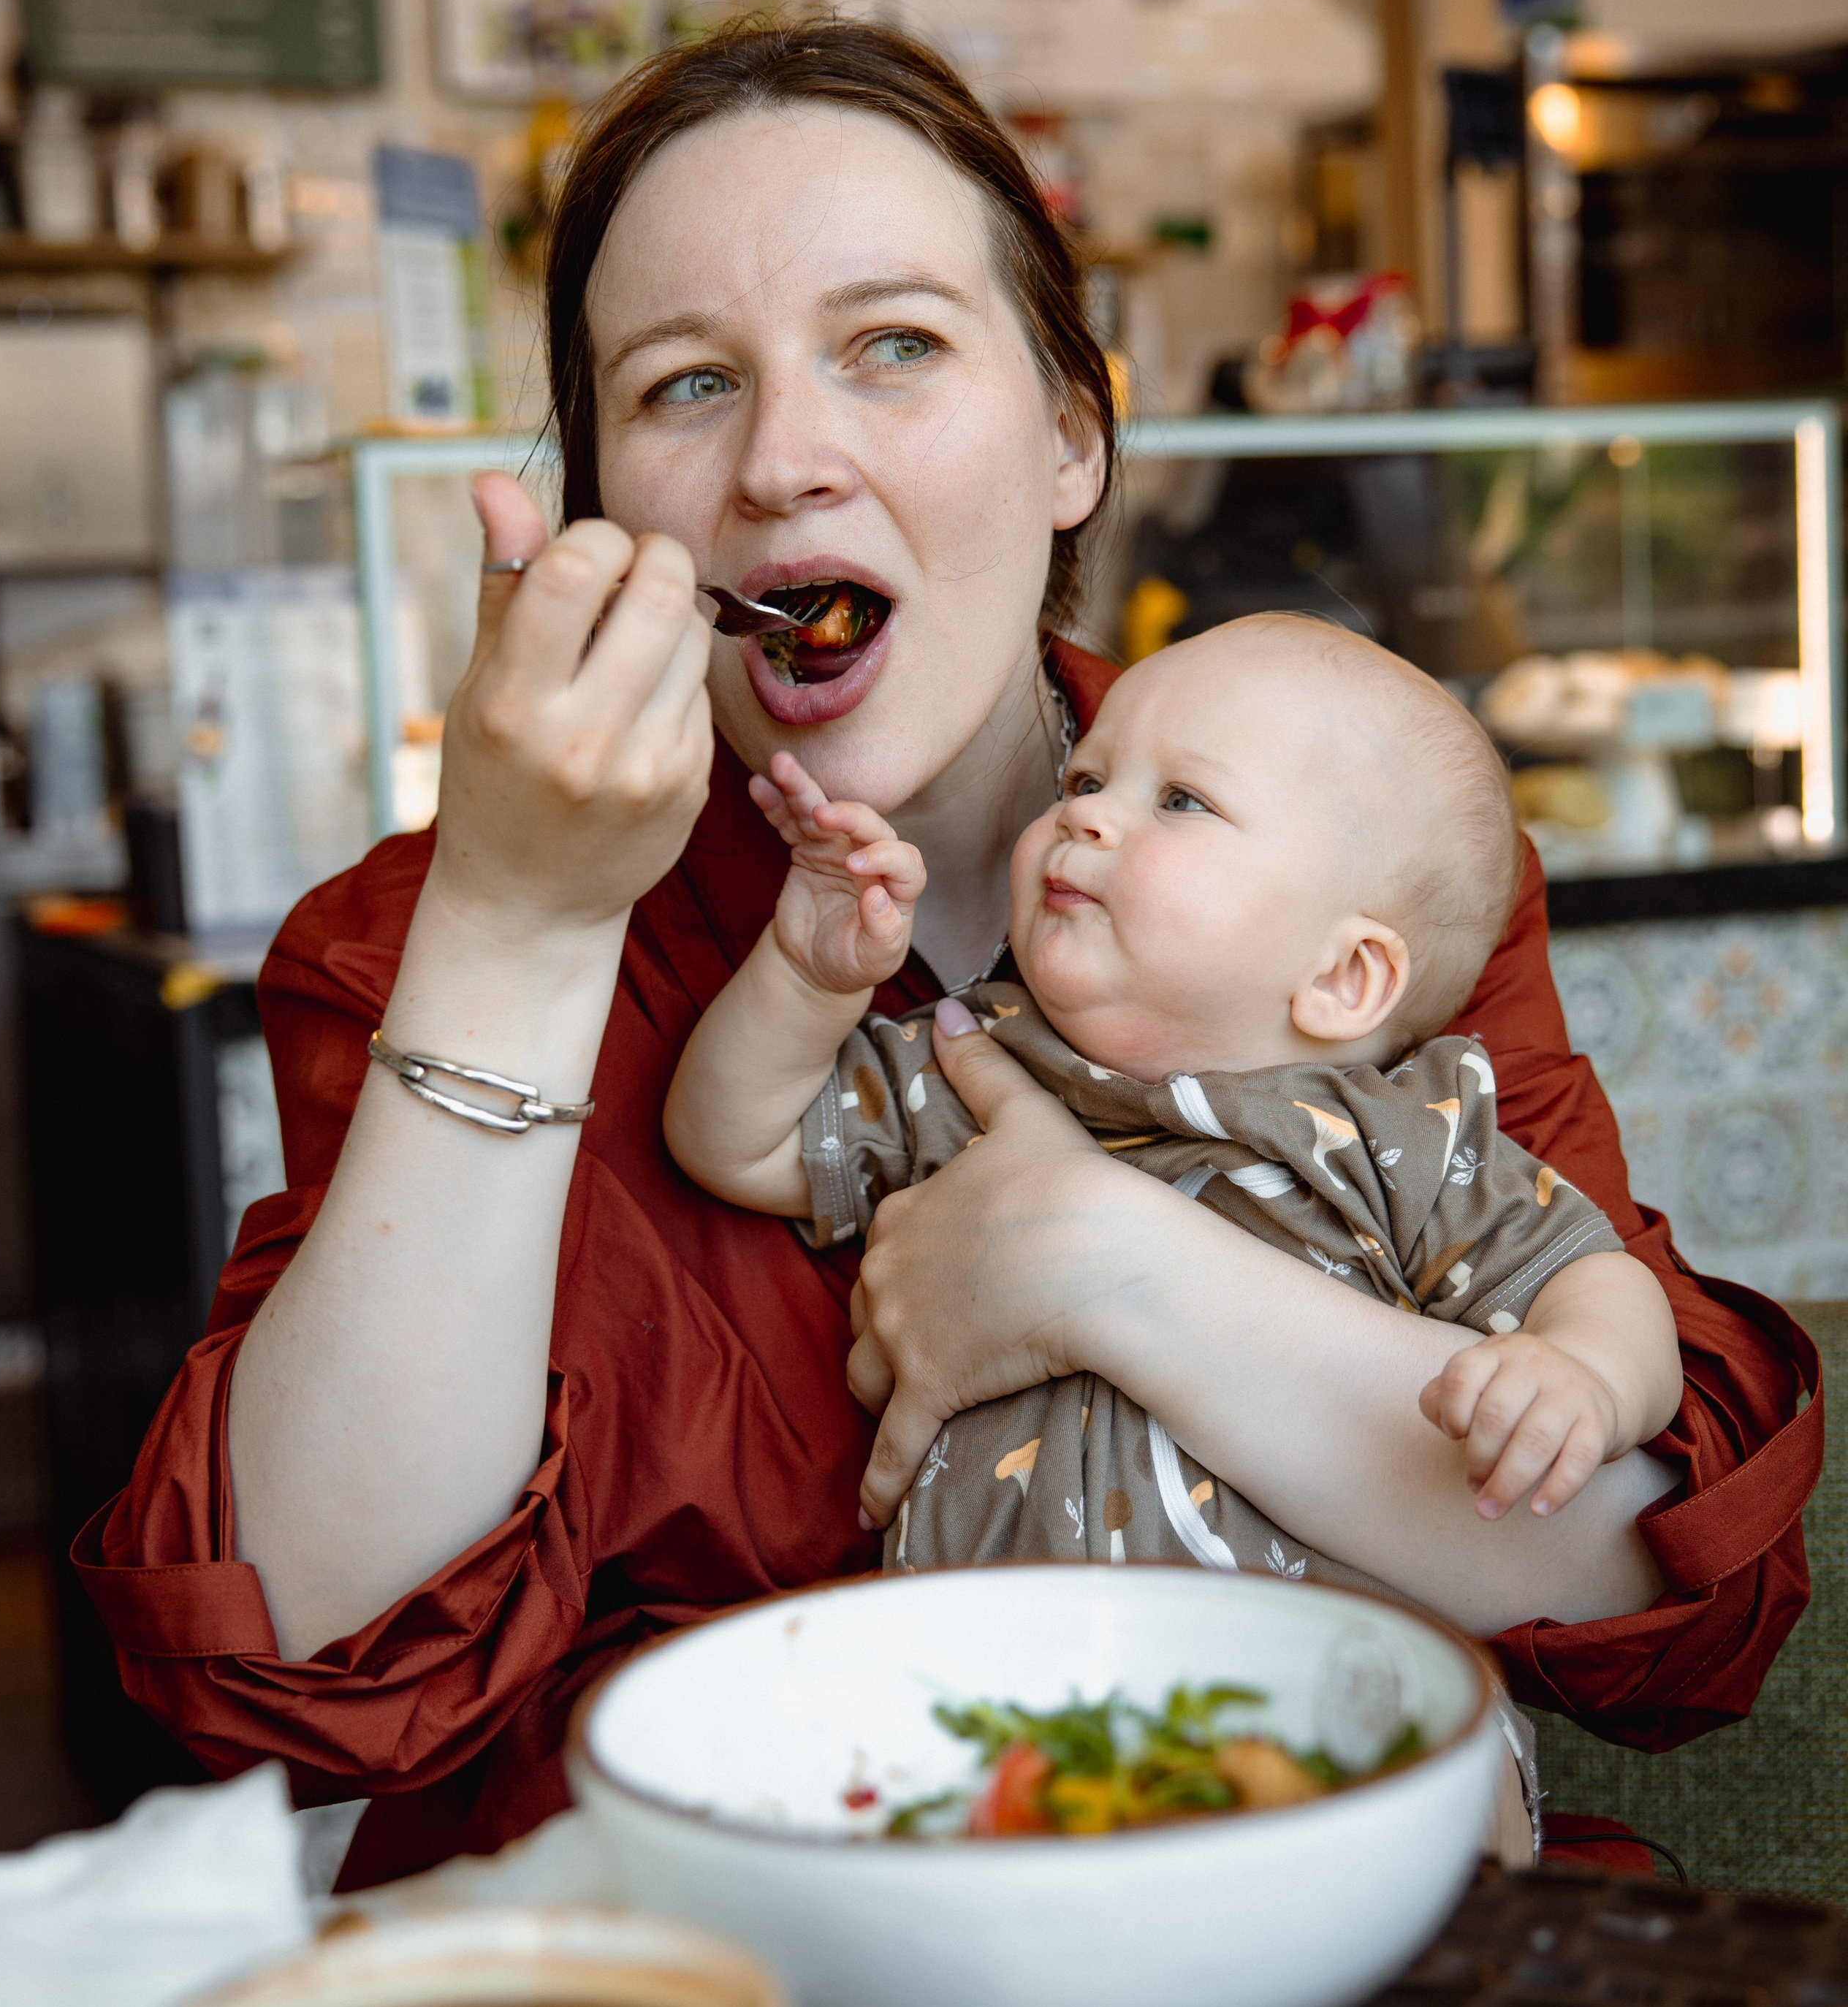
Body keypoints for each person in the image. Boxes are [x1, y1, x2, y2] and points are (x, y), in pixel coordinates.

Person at [75, 21, 1822, 1890]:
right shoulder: (425, 938)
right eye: (680, 388)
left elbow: (1645, 1568)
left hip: (1279, 1940)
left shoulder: (1345, 865)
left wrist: (1107, 1270)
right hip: (709, 1990)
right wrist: (522, 920)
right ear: (605, 515)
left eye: (891, 345)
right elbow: (310, 1655)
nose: (783, 462)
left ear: (1071, 435)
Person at [665, 614, 1681, 1583]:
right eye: (1088, 777)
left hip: (1311, 1711)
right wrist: (805, 980)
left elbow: (1594, 1280)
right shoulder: (987, 1056)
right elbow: (734, 1145)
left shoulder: (1409, 1137)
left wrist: (1585, 1374)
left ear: (1344, 979)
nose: (1085, 814)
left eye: (1183, 800)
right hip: (990, 1693)